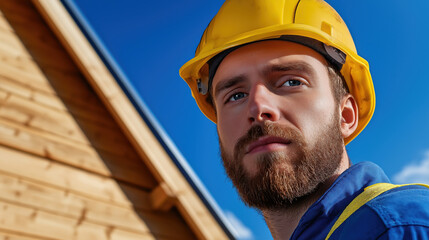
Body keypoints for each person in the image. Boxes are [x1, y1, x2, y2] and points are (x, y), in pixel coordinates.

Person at [179, 0, 429, 239]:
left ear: (346, 115)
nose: (257, 107)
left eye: (291, 82)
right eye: (236, 95)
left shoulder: (401, 226)